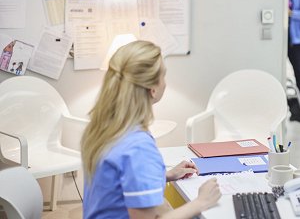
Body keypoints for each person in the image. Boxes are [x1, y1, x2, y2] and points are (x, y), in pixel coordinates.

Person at [81, 40, 221, 218]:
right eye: (163, 76)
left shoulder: (103, 128)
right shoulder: (138, 146)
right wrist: (202, 202)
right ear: (152, 89)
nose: (165, 83)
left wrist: (165, 175)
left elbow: (118, 184)